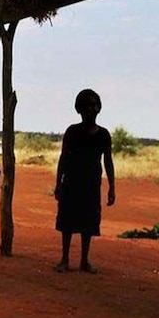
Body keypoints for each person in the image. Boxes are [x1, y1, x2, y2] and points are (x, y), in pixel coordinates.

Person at [54, 88, 116, 274]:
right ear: (79, 109)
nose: (90, 109)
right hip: (71, 182)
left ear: (99, 108)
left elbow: (108, 161)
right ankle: (64, 259)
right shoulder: (72, 132)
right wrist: (58, 183)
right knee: (67, 221)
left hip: (91, 185)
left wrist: (112, 187)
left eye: (93, 105)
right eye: (86, 106)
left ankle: (84, 261)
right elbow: (63, 158)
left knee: (88, 222)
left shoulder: (103, 135)